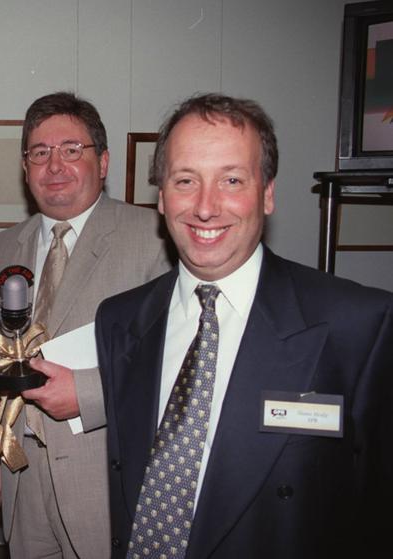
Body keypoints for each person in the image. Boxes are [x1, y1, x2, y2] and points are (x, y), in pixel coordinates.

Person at [96, 93, 393, 558]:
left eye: (231, 179)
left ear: (268, 193)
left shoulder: (357, 326)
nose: (206, 207)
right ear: (161, 196)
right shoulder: (119, 321)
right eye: (185, 180)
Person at [0, 92, 171, 558]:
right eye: (39, 153)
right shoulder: (4, 247)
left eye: (72, 150)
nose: (55, 165)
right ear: (25, 168)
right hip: (21, 477)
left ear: (103, 162)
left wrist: (87, 395)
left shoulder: (154, 239)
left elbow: (175, 365)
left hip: (106, 477)